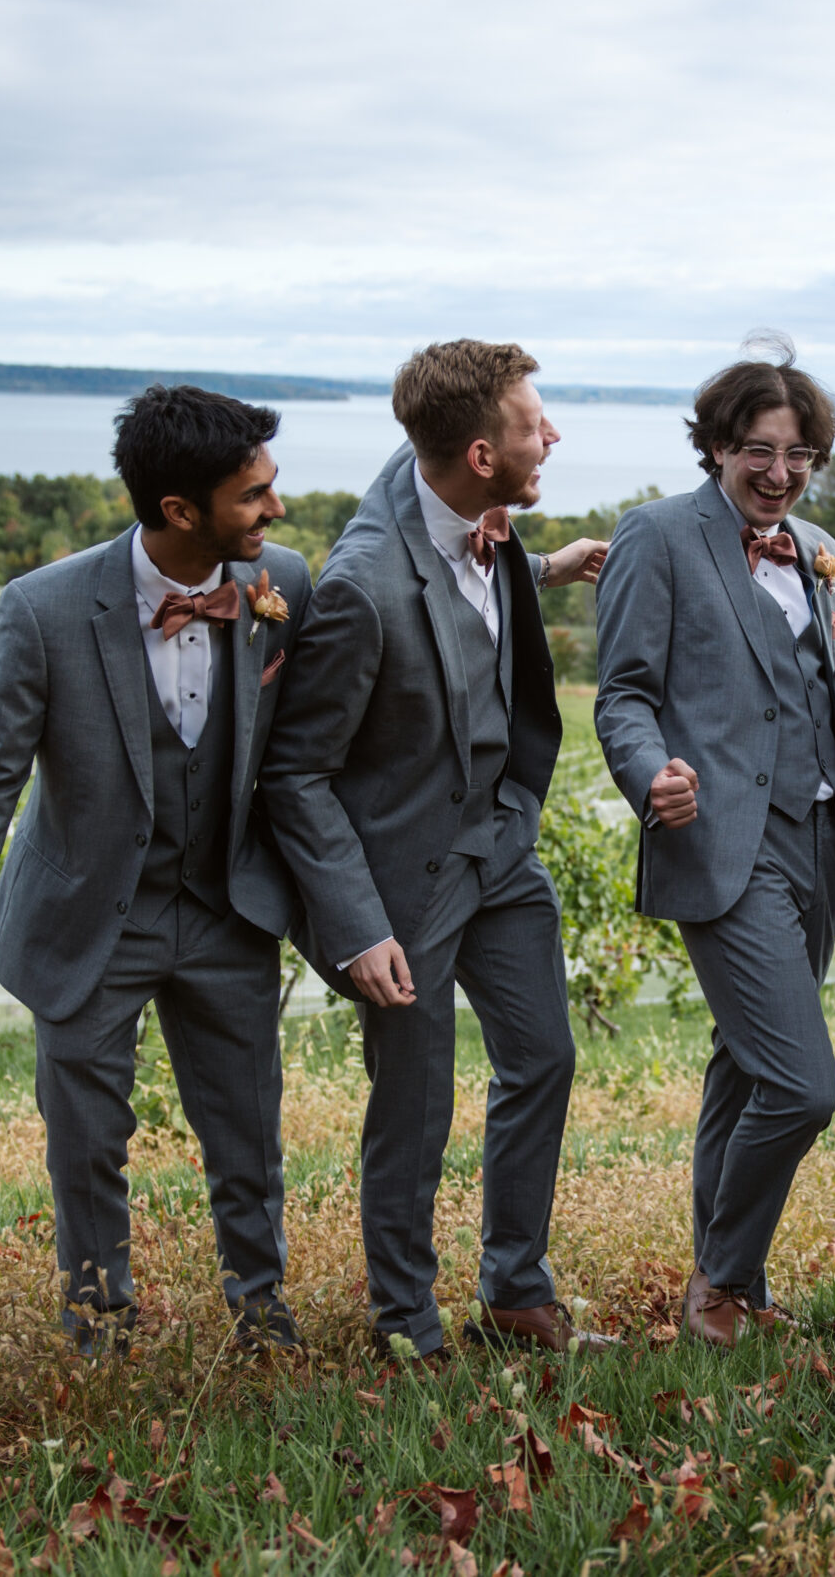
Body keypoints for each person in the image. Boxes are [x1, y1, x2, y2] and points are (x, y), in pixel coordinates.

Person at [0, 383, 314, 1356]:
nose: (276, 506)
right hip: (90, 913)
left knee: (248, 1129)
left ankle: (262, 1314)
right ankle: (99, 1325)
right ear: (179, 510)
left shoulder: (282, 583)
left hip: (226, 907)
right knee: (86, 1140)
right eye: (253, 493)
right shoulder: (43, 609)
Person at [260, 340, 610, 1362]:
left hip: (500, 848)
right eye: (535, 425)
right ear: (480, 454)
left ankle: (513, 1293)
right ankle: (405, 1321)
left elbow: (461, 592)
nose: (552, 434)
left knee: (544, 1056)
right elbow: (296, 773)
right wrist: (355, 926)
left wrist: (545, 567)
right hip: (402, 881)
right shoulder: (361, 586)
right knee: (416, 1102)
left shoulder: (468, 505)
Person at [593, 346, 835, 1346]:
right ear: (713, 447)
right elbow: (623, 693)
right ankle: (724, 1279)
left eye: (799, 456)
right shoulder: (657, 535)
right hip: (717, 841)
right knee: (802, 1085)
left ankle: (734, 1288)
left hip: (818, 840)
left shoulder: (818, 546)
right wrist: (647, 772)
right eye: (758, 451)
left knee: (746, 1069)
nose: (779, 474)